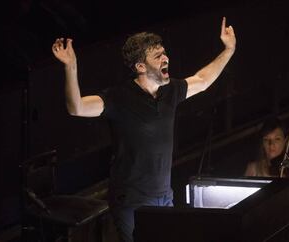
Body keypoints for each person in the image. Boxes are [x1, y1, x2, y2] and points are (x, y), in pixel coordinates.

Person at [51, 17, 236, 242]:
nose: (165, 58)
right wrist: (70, 66)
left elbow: (203, 80)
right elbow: (76, 107)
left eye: (164, 52)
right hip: (131, 202)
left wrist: (229, 49)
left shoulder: (171, 91)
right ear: (140, 67)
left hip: (164, 197)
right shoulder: (119, 98)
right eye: (158, 56)